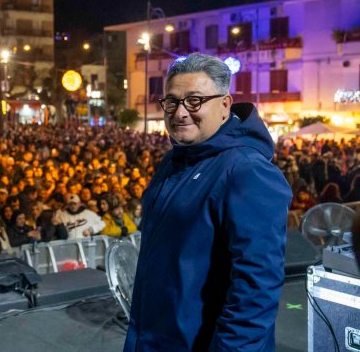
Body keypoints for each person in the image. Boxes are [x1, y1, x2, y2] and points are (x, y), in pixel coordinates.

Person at [125, 54, 291, 351]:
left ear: (225, 105)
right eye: (172, 102)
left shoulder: (247, 170)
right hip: (158, 337)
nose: (180, 112)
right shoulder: (174, 159)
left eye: (195, 101)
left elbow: (256, 289)